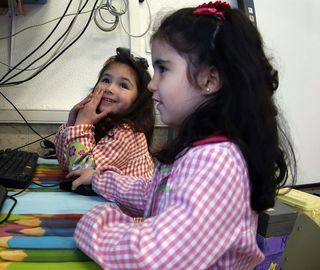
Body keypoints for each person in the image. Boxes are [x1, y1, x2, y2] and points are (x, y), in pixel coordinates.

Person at [70, 2, 297, 269]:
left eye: (163, 69)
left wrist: (95, 221)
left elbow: (150, 259)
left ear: (209, 80)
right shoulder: (200, 149)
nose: (152, 85)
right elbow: (154, 193)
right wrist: (98, 180)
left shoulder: (216, 162)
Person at [54, 47, 156, 182]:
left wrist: (82, 124)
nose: (109, 88)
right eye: (106, 80)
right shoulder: (99, 124)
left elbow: (81, 171)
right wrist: (71, 125)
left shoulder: (128, 133)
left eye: (123, 85)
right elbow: (65, 164)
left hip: (128, 203)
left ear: (138, 101)